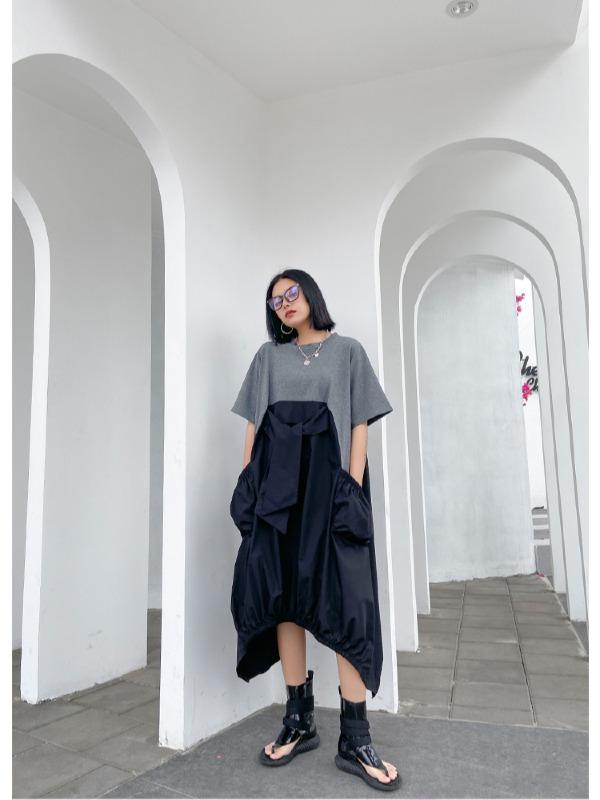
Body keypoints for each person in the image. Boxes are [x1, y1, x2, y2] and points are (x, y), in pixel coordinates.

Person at [229, 269, 401, 790]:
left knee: (345, 603)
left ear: (310, 293)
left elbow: (359, 424)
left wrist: (350, 489)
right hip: (277, 495)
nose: (284, 303)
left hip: (331, 491)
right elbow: (254, 427)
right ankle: (299, 719)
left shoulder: (347, 351)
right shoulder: (267, 358)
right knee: (285, 597)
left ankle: (356, 736)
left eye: (291, 292)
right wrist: (248, 487)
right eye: (275, 300)